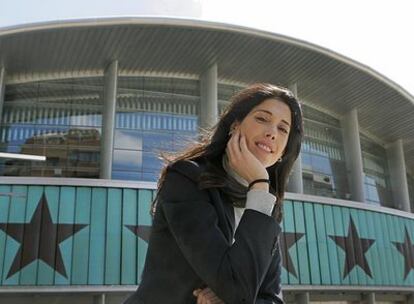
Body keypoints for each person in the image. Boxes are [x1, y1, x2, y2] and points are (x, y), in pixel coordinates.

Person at [123, 83, 303, 304]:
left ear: (284, 151)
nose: (272, 133)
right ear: (235, 126)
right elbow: (238, 290)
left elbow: (270, 298)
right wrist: (258, 183)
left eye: (283, 129)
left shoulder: (265, 204)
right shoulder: (187, 178)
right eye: (262, 119)